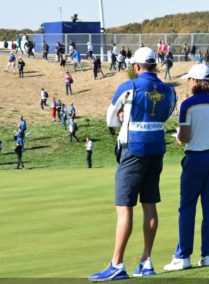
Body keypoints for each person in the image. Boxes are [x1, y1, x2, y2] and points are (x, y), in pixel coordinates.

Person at [89, 47, 176, 281]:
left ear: (136, 67)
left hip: (133, 148)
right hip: (156, 148)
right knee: (149, 204)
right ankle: (146, 261)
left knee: (124, 206)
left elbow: (110, 119)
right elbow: (165, 114)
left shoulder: (129, 86)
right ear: (154, 65)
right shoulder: (169, 90)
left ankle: (117, 263)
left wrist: (123, 118)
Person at [164, 63, 209, 271]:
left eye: (189, 80)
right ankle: (208, 255)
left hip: (195, 158)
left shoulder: (188, 104)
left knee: (187, 207)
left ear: (195, 81)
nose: (188, 83)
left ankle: (183, 256)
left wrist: (178, 138)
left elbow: (184, 137)